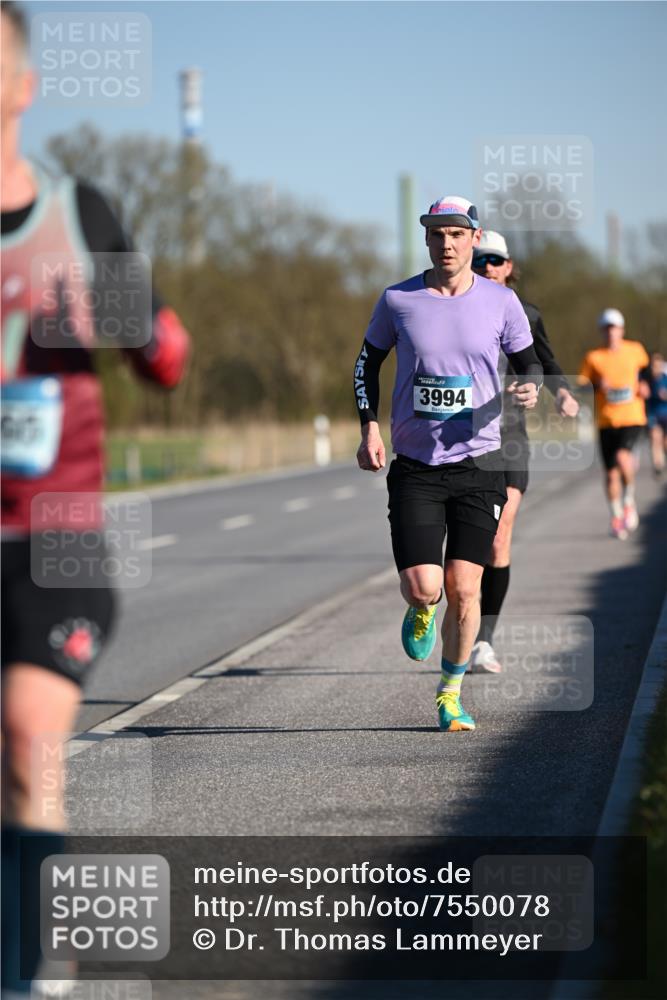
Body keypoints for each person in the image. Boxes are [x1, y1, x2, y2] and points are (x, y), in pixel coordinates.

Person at [1, 3, 191, 994]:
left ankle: (36, 965)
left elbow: (164, 357)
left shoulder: (83, 216)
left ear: (24, 87)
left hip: (55, 538)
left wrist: (121, 321)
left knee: (30, 736)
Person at [354, 196, 543, 732]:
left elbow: (528, 361)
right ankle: (419, 608)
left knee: (465, 588)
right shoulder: (398, 300)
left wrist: (529, 385)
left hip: (481, 463)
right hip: (416, 465)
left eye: (457, 234)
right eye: (437, 234)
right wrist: (369, 424)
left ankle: (450, 691)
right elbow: (366, 363)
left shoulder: (501, 303)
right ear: (429, 239)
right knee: (425, 587)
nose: (447, 243)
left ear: (474, 238)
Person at [467, 230, 579, 673]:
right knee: (467, 539)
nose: (488, 268)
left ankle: (484, 641)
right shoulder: (457, 310)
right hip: (465, 437)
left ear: (509, 267)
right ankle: (460, 607)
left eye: (495, 261)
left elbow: (547, 363)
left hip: (510, 435)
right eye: (480, 261)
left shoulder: (525, 313)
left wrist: (562, 394)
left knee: (499, 534)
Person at [577, 308, 649, 540]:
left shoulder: (635, 350)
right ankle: (616, 515)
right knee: (610, 475)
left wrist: (646, 385)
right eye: (607, 328)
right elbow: (581, 385)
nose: (611, 332)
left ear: (622, 330)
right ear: (602, 331)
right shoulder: (594, 357)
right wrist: (598, 385)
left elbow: (648, 372)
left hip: (632, 416)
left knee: (623, 458)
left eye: (615, 327)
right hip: (607, 420)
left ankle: (629, 501)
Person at [640, 351, 667, 478]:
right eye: (653, 365)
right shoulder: (646, 380)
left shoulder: (665, 379)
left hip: (665, 413)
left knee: (665, 442)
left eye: (658, 365)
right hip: (653, 413)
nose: (655, 368)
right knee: (655, 438)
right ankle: (658, 466)